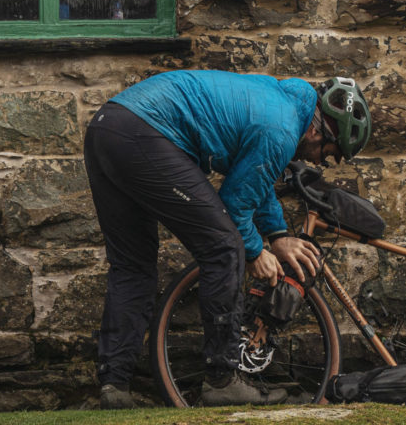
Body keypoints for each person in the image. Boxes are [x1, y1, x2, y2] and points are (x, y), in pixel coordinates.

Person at [84, 70, 372, 408]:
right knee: (225, 248)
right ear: (316, 129)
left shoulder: (278, 105)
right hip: (146, 133)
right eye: (327, 151)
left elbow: (253, 180)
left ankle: (114, 387)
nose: (318, 160)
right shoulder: (281, 129)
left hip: (106, 126)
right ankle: (222, 380)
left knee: (132, 267)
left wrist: (277, 235)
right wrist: (254, 251)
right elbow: (235, 204)